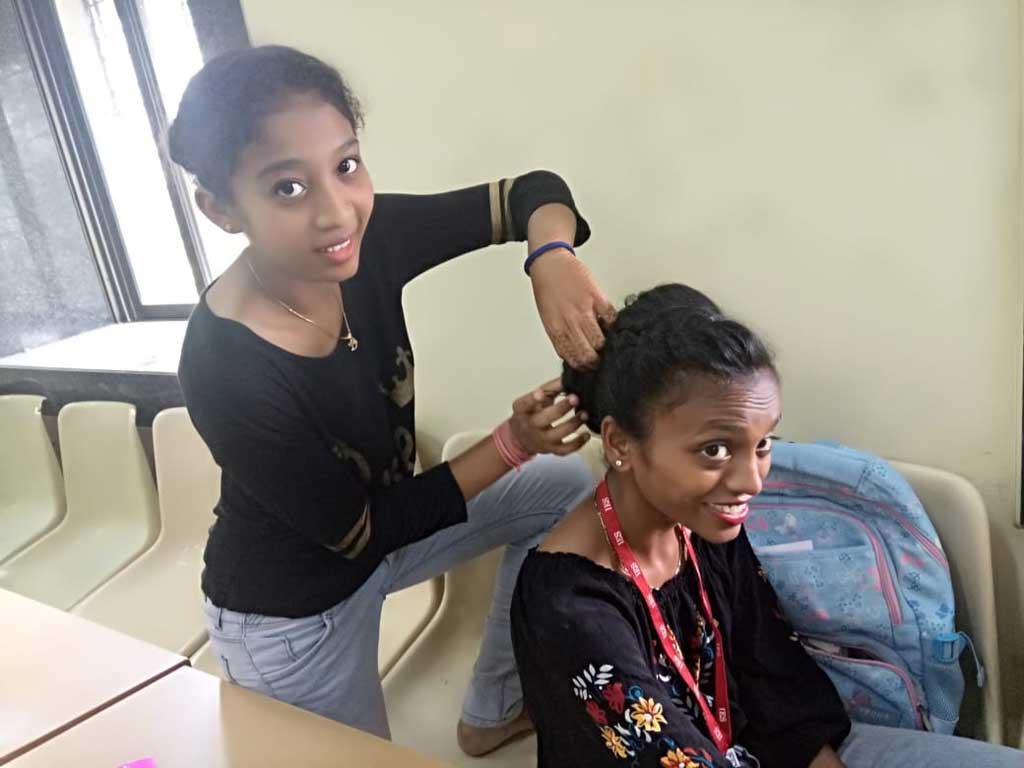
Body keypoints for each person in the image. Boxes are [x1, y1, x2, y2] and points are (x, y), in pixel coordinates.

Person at [168, 44, 611, 755]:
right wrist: (511, 443)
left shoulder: (368, 240)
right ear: (220, 208)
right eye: (288, 188)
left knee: (562, 486)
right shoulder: (224, 366)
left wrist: (549, 257)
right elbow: (359, 534)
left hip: (383, 536)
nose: (336, 213)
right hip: (293, 613)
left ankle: (494, 707)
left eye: (346, 165)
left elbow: (532, 191)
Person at [510, 283, 1023, 766]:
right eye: (715, 450)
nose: (751, 481)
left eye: (762, 444)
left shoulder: (699, 522)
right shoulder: (569, 605)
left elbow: (774, 677)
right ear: (620, 442)